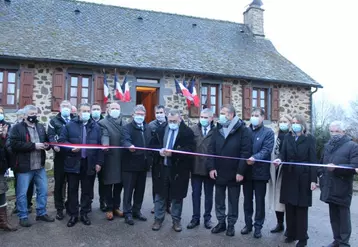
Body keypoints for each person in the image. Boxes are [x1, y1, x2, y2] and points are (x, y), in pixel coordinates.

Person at [208, 104, 252, 237]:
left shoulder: (243, 130)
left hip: (235, 172)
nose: (221, 115)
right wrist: (211, 167)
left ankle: (231, 225)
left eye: (224, 113)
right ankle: (221, 223)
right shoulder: (218, 129)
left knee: (233, 201)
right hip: (219, 171)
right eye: (220, 113)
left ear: (231, 115)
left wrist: (240, 171)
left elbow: (245, 152)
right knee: (219, 200)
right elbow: (211, 149)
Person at [273, 115, 317, 247]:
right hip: (289, 175)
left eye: (297, 122)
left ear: (303, 125)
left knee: (301, 209)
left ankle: (302, 237)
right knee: (290, 207)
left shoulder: (310, 139)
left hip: (303, 176)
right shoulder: (288, 137)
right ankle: (290, 233)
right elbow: (283, 154)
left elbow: (313, 160)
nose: (294, 125)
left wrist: (313, 180)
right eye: (293, 123)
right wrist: (279, 160)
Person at [58, 103, 104, 227]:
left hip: (89, 163)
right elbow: (62, 141)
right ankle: (73, 214)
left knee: (87, 190)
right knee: (72, 190)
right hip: (73, 162)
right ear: (78, 112)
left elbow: (100, 146)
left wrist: (99, 162)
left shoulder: (96, 127)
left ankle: (84, 213)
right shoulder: (69, 125)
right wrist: (70, 148)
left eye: (88, 111)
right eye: (83, 111)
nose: (86, 113)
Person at [9, 105, 54, 227]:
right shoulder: (17, 128)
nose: (34, 115)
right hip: (24, 167)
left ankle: (41, 213)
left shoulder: (40, 127)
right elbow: (14, 144)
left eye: (35, 113)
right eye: (31, 113)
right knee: (22, 193)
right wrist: (33, 146)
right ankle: (23, 216)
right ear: (24, 115)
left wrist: (47, 145)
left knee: (43, 190)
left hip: (39, 166)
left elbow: (46, 141)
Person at [150, 109, 195, 232]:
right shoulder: (160, 130)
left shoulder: (187, 133)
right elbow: (151, 146)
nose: (172, 123)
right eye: (170, 121)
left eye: (174, 121)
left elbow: (190, 150)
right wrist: (158, 151)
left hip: (178, 171)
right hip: (162, 168)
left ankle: (176, 221)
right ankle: (158, 219)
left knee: (177, 196)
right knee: (160, 195)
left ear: (180, 119)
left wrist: (174, 154)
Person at [319, 121, 358, 247]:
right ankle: (336, 240)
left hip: (342, 186)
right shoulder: (327, 146)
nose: (334, 134)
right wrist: (320, 175)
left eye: (337, 131)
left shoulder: (352, 146)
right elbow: (321, 163)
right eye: (332, 131)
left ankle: (344, 242)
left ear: (343, 132)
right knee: (333, 216)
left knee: (343, 216)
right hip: (329, 186)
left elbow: (354, 167)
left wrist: (337, 168)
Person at [241, 108, 274, 238]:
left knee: (260, 201)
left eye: (257, 115)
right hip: (247, 172)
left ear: (262, 117)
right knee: (247, 200)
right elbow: (242, 148)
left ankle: (258, 226)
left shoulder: (268, 132)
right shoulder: (246, 131)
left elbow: (267, 149)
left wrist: (255, 158)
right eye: (252, 115)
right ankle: (247, 224)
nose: (254, 117)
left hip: (261, 172)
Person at [121, 104, 150, 225]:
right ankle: (127, 213)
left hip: (143, 165)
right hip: (130, 165)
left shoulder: (147, 127)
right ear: (133, 115)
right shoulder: (127, 127)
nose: (140, 116)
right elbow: (124, 140)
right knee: (128, 190)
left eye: (142, 114)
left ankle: (136, 211)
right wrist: (129, 146)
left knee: (140, 190)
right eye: (138, 114)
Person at [187, 108, 215, 230]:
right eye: (201, 117)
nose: (203, 119)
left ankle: (207, 219)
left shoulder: (216, 131)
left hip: (210, 169)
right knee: (195, 194)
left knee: (209, 195)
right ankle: (195, 218)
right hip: (196, 168)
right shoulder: (193, 130)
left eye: (206, 117)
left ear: (211, 118)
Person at [98, 102, 124, 220]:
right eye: (112, 108)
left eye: (117, 108)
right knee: (108, 185)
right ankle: (109, 208)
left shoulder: (124, 123)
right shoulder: (103, 123)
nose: (115, 110)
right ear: (108, 110)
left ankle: (116, 207)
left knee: (119, 185)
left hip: (122, 158)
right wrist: (105, 144)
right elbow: (104, 135)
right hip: (109, 157)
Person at [47, 100, 73, 220]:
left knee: (72, 183)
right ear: (60, 108)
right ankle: (59, 208)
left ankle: (70, 205)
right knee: (59, 184)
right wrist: (54, 145)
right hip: (60, 157)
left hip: (73, 156)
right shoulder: (54, 121)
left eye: (68, 106)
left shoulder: (75, 119)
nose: (66, 108)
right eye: (64, 106)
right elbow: (50, 136)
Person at [268, 115, 292, 234]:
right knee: (276, 198)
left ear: (290, 123)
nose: (282, 123)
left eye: (285, 121)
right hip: (275, 169)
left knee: (285, 199)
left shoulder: (292, 136)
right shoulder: (276, 136)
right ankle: (279, 223)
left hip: (287, 171)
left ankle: (289, 226)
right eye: (280, 121)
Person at [148, 105, 170, 214]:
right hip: (157, 158)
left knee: (168, 182)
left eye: (161, 112)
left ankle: (168, 205)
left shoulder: (171, 123)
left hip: (169, 158)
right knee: (156, 183)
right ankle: (155, 204)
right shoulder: (151, 125)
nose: (159, 115)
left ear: (165, 112)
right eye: (157, 113)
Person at [0, 107, 17, 231]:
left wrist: (4, 137)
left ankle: (3, 222)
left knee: (1, 193)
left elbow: (7, 150)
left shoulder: (5, 127)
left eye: (1, 113)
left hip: (1, 167)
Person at [90, 102, 106, 211]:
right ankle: (88, 202)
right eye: (94, 109)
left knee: (103, 181)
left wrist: (100, 162)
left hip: (102, 156)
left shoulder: (104, 123)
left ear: (101, 111)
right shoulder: (87, 122)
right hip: (90, 156)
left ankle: (102, 202)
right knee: (89, 182)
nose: (96, 111)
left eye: (98, 109)